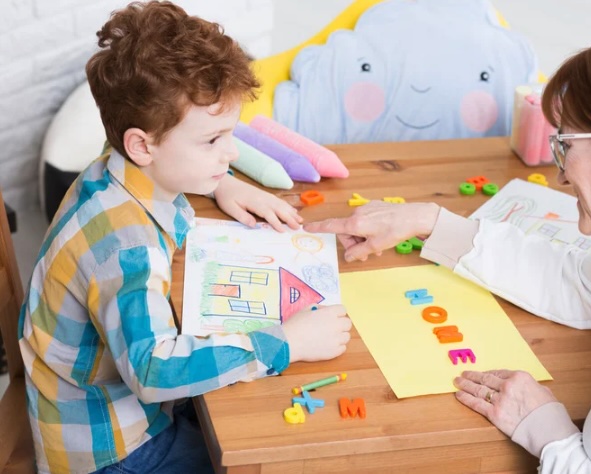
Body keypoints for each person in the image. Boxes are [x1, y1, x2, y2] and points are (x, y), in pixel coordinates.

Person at [305, 27, 591, 472]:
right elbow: (577, 284)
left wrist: (550, 434)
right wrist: (429, 222)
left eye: (565, 146)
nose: (560, 174)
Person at [19, 3, 352, 473]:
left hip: (93, 405)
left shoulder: (116, 163)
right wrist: (286, 344)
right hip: (112, 447)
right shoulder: (126, 249)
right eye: (212, 141)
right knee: (269, 452)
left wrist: (222, 181)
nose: (231, 153)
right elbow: (155, 372)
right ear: (143, 144)